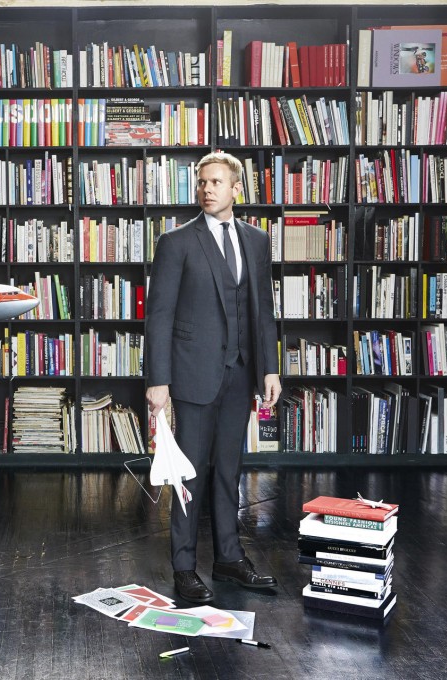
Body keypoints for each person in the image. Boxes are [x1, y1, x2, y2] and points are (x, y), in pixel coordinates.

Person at [145, 151, 281, 603]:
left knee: (229, 471)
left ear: (236, 189)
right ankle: (184, 567)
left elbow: (263, 310)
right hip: (191, 375)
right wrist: (157, 380)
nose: (206, 189)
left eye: (216, 182)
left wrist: (269, 368)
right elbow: (158, 316)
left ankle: (227, 557)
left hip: (241, 376)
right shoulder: (176, 241)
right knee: (189, 476)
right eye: (202, 182)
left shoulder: (257, 241)